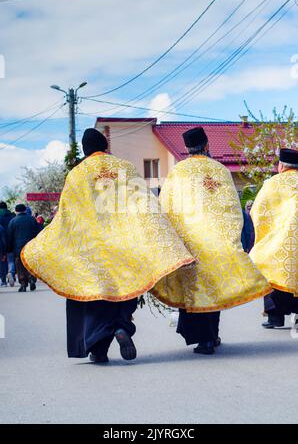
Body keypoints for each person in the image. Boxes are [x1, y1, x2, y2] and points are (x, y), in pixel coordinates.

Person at [22, 128, 194, 363]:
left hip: (94, 249)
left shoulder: (77, 175)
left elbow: (69, 218)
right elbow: (146, 205)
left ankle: (98, 349)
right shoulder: (126, 168)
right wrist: (159, 239)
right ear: (105, 145)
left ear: (85, 150)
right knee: (126, 290)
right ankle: (122, 326)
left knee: (94, 297)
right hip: (127, 244)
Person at [152, 126, 270, 354]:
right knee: (211, 290)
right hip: (215, 240)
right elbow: (233, 208)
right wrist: (233, 237)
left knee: (194, 291)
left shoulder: (178, 173)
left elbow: (165, 208)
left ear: (187, 149)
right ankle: (211, 337)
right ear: (207, 146)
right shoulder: (220, 171)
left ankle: (204, 339)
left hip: (189, 242)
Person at [250, 148, 298, 328]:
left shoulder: (272, 184)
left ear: (281, 166)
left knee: (270, 268)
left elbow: (258, 211)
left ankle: (275, 317)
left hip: (278, 242)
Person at [7, 204, 39, 292]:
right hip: (30, 246)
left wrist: (9, 249)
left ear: (16, 211)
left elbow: (10, 236)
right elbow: (38, 233)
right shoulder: (32, 219)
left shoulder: (13, 221)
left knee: (20, 265)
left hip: (18, 248)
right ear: (25, 210)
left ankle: (23, 284)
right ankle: (31, 277)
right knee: (30, 263)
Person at [0, 201, 15, 287]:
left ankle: (3, 280)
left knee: (2, 260)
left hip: (1, 240)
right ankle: (11, 274)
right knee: (11, 259)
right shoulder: (12, 215)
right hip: (11, 240)